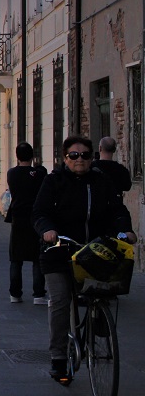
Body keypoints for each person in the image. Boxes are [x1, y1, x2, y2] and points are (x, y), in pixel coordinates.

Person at [33, 135, 136, 385]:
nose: (79, 159)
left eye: (85, 155)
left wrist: (125, 229)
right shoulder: (53, 181)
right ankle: (58, 357)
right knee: (60, 300)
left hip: (92, 251)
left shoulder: (101, 181)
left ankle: (98, 317)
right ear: (65, 158)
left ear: (92, 157)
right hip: (59, 251)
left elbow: (118, 210)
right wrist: (47, 230)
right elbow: (39, 212)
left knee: (104, 290)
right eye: (74, 155)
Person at [5, 142, 47, 305]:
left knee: (16, 258)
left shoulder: (12, 173)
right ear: (32, 156)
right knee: (37, 256)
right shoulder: (39, 173)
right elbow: (42, 172)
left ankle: (15, 294)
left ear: (17, 156)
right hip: (35, 218)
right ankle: (38, 294)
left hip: (18, 218)